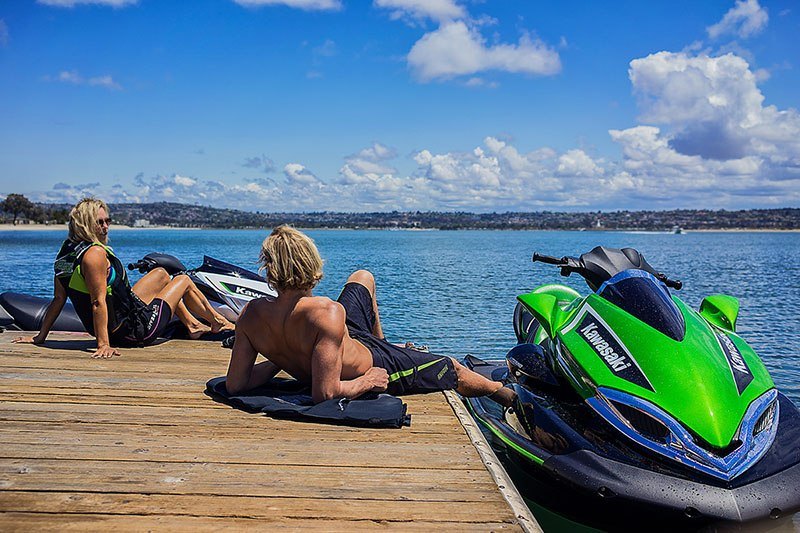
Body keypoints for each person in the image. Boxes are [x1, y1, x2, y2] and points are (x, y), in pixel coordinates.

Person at [225, 225, 516, 406]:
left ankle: (387, 343)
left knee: (362, 277)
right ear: (311, 263)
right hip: (374, 364)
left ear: (269, 269)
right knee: (451, 368)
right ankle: (505, 395)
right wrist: (367, 382)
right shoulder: (327, 312)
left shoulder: (250, 315)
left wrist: (278, 355)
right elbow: (324, 395)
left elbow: (235, 384)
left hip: (354, 339)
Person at [14, 198, 234, 358]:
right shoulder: (95, 254)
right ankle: (217, 322)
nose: (106, 227)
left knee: (160, 274)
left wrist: (40, 337)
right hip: (132, 331)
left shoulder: (67, 254)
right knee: (183, 280)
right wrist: (103, 344)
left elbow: (58, 299)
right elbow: (97, 301)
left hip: (125, 315)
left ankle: (193, 325)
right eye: (99, 223)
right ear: (84, 224)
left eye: (107, 221)